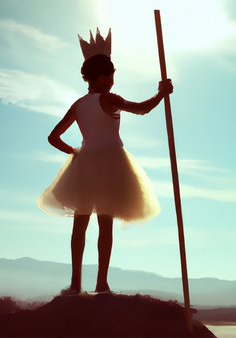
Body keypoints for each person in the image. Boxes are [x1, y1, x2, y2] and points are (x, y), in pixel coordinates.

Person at [38, 29, 172, 295]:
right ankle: (101, 283)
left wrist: (74, 152)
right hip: (110, 163)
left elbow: (53, 136)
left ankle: (76, 284)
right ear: (101, 76)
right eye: (111, 75)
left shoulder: (78, 104)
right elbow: (141, 108)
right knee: (105, 224)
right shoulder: (109, 99)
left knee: (80, 224)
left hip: (85, 165)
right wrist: (162, 93)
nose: (112, 80)